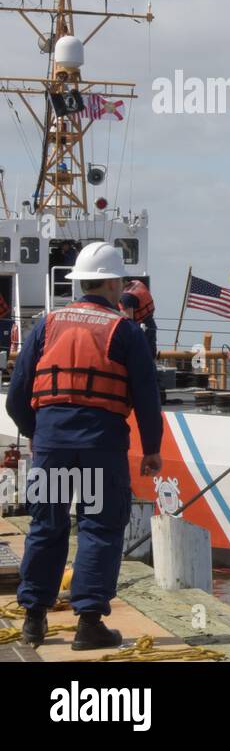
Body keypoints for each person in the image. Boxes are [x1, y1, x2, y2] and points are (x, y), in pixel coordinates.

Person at [5, 241, 163, 650]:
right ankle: (89, 623)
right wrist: (151, 449)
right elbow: (147, 396)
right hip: (100, 446)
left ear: (80, 282)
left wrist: (36, 432)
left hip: (52, 445)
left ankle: (34, 621)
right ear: (114, 284)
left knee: (46, 526)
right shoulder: (124, 330)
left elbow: (17, 393)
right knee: (98, 527)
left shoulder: (46, 324)